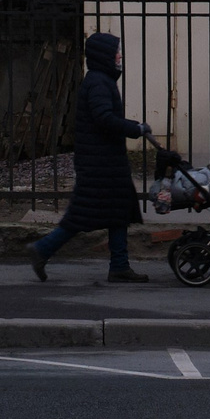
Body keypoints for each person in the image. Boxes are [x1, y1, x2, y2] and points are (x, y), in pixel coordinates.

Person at [29, 31, 152, 282]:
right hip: (100, 163)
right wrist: (135, 129)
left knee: (118, 211)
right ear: (104, 55)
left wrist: (133, 127)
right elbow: (103, 118)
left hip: (105, 161)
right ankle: (42, 248)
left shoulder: (101, 80)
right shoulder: (98, 82)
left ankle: (119, 265)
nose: (119, 57)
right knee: (82, 215)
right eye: (115, 52)